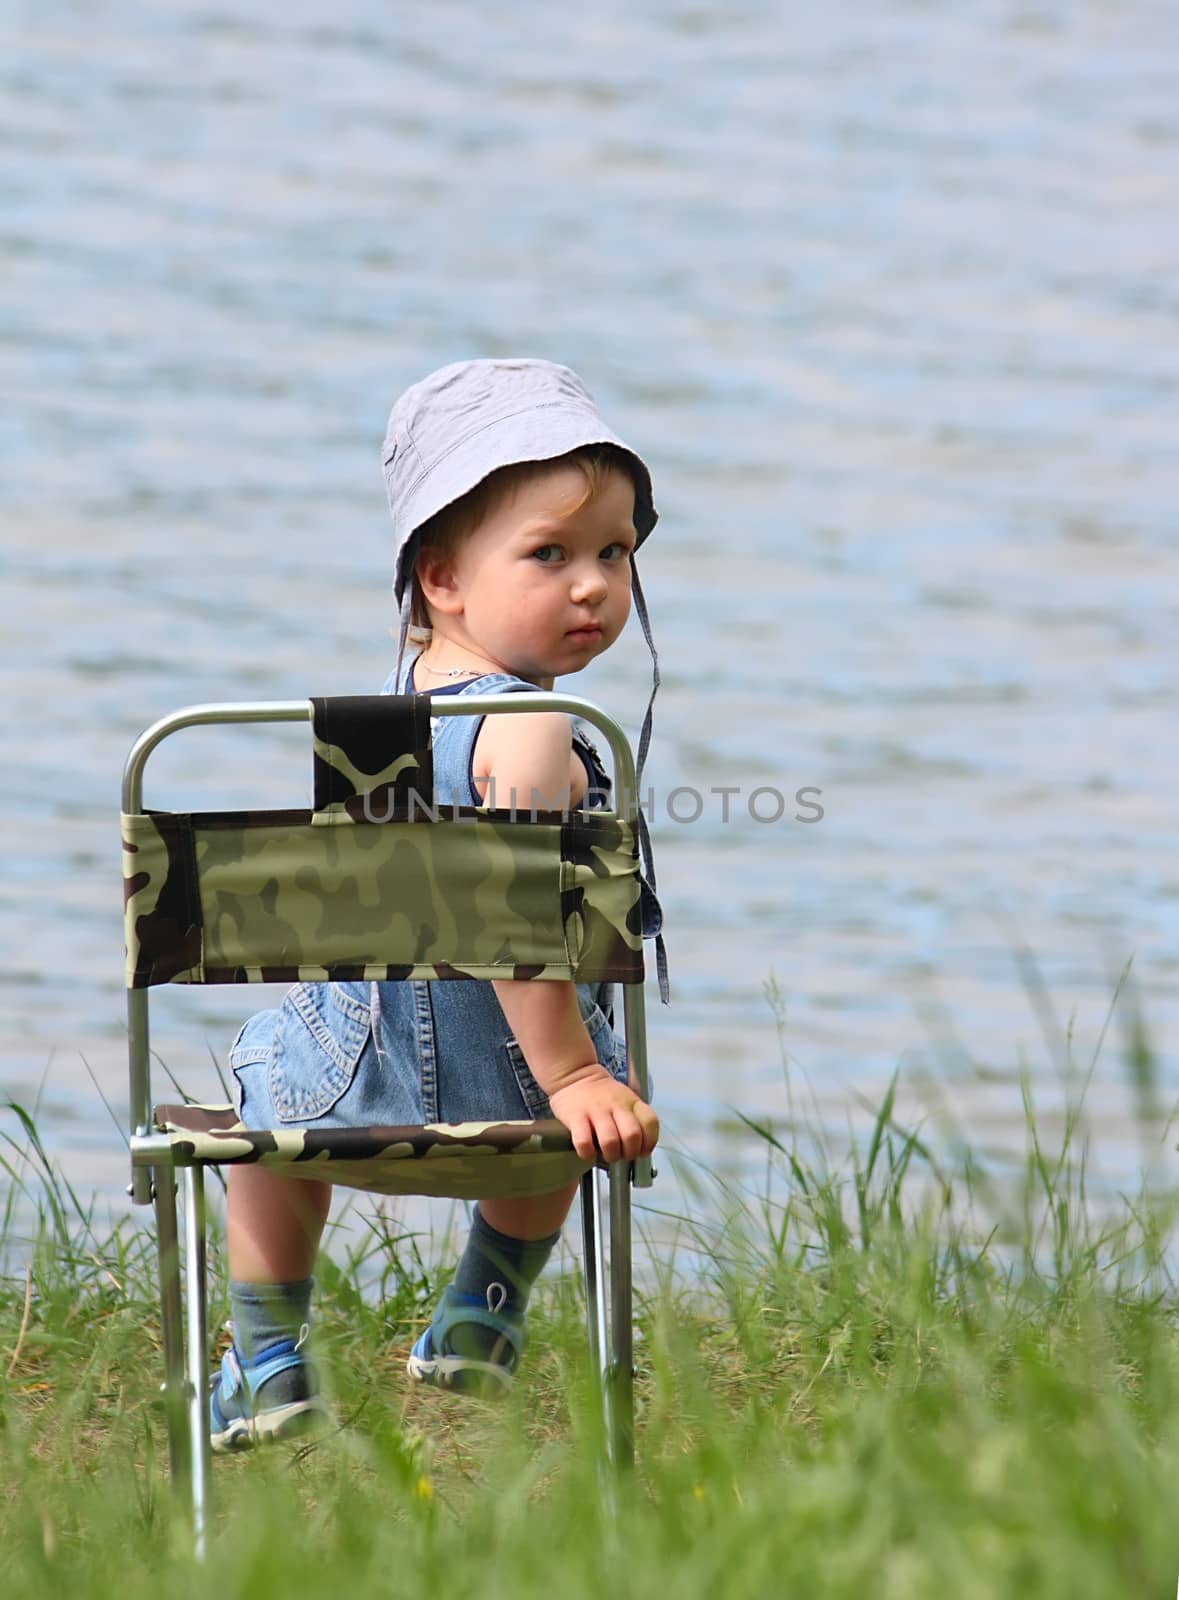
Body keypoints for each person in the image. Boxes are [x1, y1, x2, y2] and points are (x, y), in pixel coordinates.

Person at [210, 358, 666, 1451]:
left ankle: (268, 1354)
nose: (594, 585)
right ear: (445, 579)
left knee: (261, 1103)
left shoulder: (383, 715)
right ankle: (484, 1306)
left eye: (614, 552)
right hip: (515, 1094)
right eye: (548, 554)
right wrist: (567, 1072)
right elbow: (501, 901)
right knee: (596, 1106)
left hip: (344, 1091)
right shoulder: (541, 726)